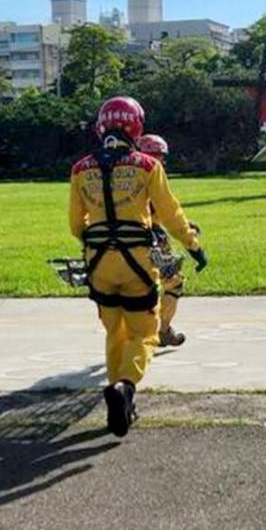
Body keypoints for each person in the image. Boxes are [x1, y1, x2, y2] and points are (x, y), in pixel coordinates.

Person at [69, 96, 207, 437]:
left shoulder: (80, 168)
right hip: (138, 263)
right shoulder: (147, 165)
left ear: (102, 125)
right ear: (137, 126)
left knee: (115, 332)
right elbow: (171, 215)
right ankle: (125, 388)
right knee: (145, 333)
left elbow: (76, 224)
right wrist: (194, 245)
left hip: (99, 263)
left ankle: (119, 400)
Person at [135, 133, 194, 347]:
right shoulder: (151, 174)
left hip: (126, 236)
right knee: (173, 281)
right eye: (157, 155)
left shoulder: (125, 176)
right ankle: (163, 329)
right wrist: (187, 232)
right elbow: (166, 210)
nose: (159, 160)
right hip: (153, 238)